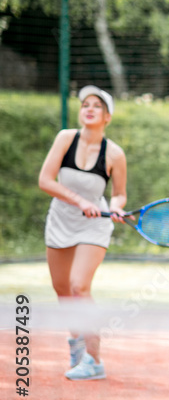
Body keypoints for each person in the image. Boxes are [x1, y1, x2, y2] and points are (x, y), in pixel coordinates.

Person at [38, 85, 127, 381]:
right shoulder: (65, 138)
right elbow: (45, 180)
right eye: (85, 104)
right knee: (62, 289)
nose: (88, 108)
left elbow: (119, 194)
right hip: (61, 221)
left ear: (107, 116)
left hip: (95, 225)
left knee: (79, 286)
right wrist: (79, 201)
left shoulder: (114, 154)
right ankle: (76, 346)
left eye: (96, 105)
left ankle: (94, 358)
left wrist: (115, 208)